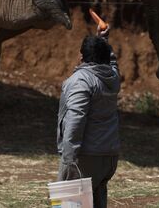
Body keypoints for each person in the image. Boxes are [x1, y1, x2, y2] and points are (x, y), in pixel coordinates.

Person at [56, 25, 121, 208]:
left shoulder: (80, 81)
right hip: (108, 156)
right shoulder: (113, 78)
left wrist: (68, 159)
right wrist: (104, 40)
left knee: (69, 205)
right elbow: (112, 63)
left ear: (81, 56)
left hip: (84, 157)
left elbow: (76, 120)